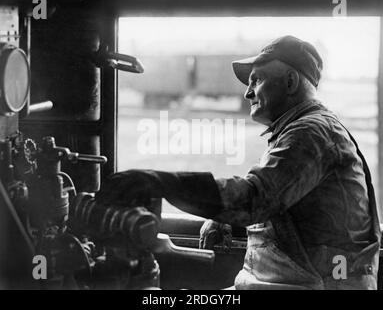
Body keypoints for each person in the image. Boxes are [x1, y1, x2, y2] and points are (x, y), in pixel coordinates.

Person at [96, 36, 381, 290]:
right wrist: (231, 223)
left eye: (256, 80)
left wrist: (157, 182)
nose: (247, 92)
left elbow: (253, 199)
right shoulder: (301, 129)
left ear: (291, 82)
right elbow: (285, 207)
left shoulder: (311, 133)